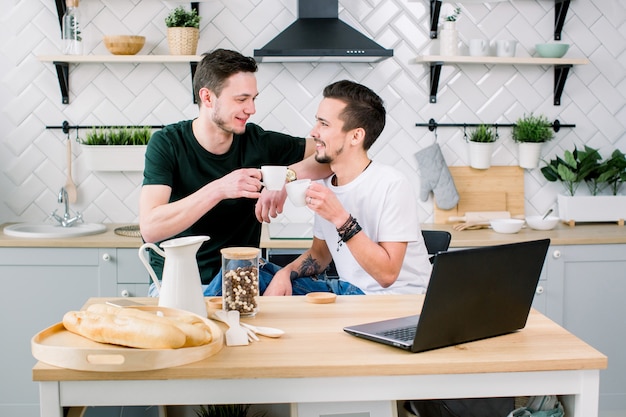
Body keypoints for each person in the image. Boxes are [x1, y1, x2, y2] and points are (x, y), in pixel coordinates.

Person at [139, 48, 330, 295]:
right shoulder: (168, 143)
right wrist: (220, 189)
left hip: (238, 283)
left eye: (254, 99)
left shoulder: (258, 142)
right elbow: (151, 228)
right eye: (241, 100)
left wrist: (286, 178)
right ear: (207, 98)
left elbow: (331, 155)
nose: (251, 109)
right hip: (177, 284)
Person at [264, 80, 432, 296]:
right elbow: (320, 255)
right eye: (317, 122)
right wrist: (285, 274)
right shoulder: (325, 184)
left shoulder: (392, 185)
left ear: (356, 136)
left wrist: (340, 218)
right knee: (253, 275)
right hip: (350, 295)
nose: (314, 132)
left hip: (398, 303)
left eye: (324, 124)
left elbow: (387, 275)